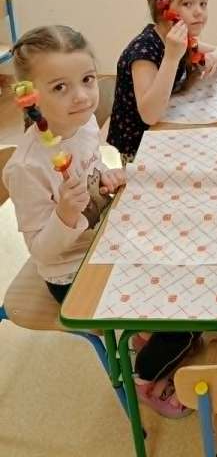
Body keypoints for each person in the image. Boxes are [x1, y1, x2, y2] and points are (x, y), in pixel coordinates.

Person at [3, 25, 126, 304]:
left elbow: (91, 169)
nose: (81, 96)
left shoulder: (85, 124)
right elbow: (42, 253)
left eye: (87, 79)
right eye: (60, 87)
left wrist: (106, 177)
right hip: (72, 272)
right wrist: (65, 213)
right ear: (30, 97)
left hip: (103, 240)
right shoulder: (27, 168)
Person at [107, 0, 217, 163]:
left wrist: (213, 58)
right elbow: (150, 115)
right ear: (163, 11)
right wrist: (171, 58)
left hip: (163, 131)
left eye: (203, 3)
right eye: (187, 4)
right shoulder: (144, 51)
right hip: (134, 150)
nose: (199, 12)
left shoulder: (181, 38)